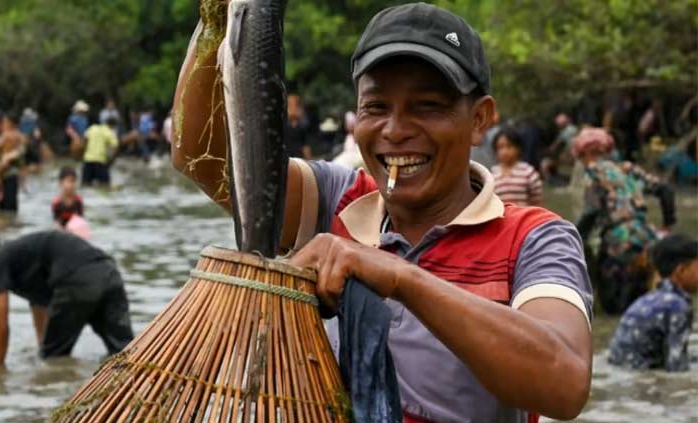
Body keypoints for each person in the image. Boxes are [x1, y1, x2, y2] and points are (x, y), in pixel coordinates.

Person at [173, 3, 593, 421]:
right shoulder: (335, 198)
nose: (395, 130)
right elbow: (199, 156)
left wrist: (398, 277)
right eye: (376, 108)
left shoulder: (534, 237)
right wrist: (217, 22)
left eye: (427, 106)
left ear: (480, 119)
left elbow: (566, 383)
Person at [0, 216, 133, 366]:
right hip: (109, 273)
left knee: (54, 362)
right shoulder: (21, 258)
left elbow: (0, 328)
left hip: (76, 280)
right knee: (125, 352)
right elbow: (38, 304)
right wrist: (43, 346)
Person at [574, 127, 676, 315]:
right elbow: (665, 190)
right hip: (647, 236)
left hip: (618, 242)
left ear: (584, 153)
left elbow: (592, 210)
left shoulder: (593, 172)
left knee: (615, 307)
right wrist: (668, 224)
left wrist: (574, 236)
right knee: (644, 302)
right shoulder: (627, 168)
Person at [607, 234, 697, 372]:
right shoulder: (677, 306)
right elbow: (677, 368)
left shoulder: (650, 298)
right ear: (681, 270)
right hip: (639, 378)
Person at [491, 127, 543, 206]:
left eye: (509, 146)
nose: (504, 151)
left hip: (524, 217)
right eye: (500, 147)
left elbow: (537, 201)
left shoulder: (528, 172)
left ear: (518, 148)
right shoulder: (492, 175)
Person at [0, 113, 25, 213]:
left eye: (5, 122)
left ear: (10, 124)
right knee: (11, 208)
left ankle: (0, 192)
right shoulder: (21, 136)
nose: (4, 124)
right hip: (12, 171)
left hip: (6, 169)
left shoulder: (6, 135)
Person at [81, 117, 119, 186]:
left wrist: (84, 152)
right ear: (113, 126)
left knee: (85, 185)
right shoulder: (109, 132)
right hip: (100, 162)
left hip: (88, 161)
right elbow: (115, 146)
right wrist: (111, 160)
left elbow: (84, 139)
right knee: (105, 186)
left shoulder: (93, 128)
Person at [286, 94, 312, 160]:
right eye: (290, 106)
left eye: (296, 106)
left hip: (299, 160)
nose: (293, 109)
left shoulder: (301, 126)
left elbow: (306, 146)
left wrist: (309, 162)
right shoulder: (283, 126)